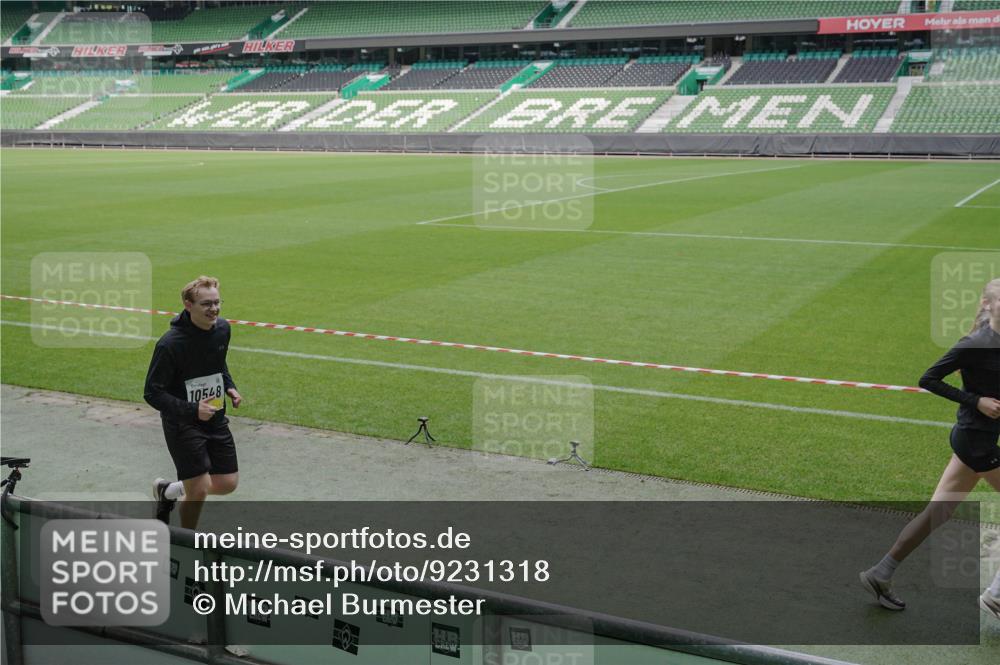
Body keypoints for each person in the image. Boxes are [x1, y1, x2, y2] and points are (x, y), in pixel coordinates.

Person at [860, 278, 1000, 619]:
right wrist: (975, 400)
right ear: (987, 305)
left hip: (973, 439)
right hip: (977, 442)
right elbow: (928, 379)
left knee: (938, 513)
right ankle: (997, 596)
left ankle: (881, 572)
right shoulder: (975, 343)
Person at [144, 276, 243, 529]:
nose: (214, 309)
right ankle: (186, 541)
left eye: (217, 302)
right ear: (188, 305)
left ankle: (168, 492)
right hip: (182, 423)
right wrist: (192, 409)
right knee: (198, 489)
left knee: (228, 482)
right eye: (206, 304)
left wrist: (229, 385)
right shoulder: (170, 344)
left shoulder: (223, 329)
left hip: (215, 415)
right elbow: (152, 393)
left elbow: (218, 362)